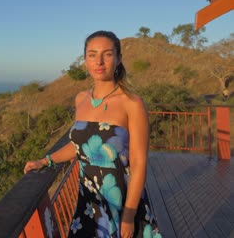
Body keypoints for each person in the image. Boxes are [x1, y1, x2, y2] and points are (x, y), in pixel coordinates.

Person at [23, 31, 162, 238]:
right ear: (85, 60)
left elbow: (140, 163)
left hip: (123, 201)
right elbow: (79, 145)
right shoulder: (81, 99)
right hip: (89, 201)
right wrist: (46, 160)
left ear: (118, 59)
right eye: (92, 54)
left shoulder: (132, 103)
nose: (99, 61)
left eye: (107, 54)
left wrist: (129, 214)